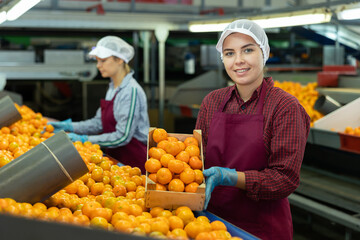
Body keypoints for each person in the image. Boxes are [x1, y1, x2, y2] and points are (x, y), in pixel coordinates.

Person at [195, 19, 310, 240]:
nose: (238, 61)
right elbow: (196, 158)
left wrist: (231, 177)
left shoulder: (285, 106)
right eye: (229, 53)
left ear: (264, 52)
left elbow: (285, 178)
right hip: (211, 222)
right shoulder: (212, 101)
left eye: (247, 50)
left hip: (261, 228)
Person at [49, 36, 150, 173]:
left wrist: (85, 139)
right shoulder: (113, 88)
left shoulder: (130, 91)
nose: (98, 65)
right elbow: (98, 123)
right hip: (116, 158)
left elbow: (122, 136)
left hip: (133, 161)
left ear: (119, 60)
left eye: (103, 60)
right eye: (97, 61)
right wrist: (70, 126)